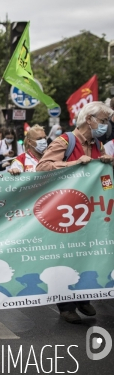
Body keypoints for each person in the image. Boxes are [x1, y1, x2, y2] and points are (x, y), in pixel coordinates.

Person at [36, 101, 114, 323]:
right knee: (68, 254)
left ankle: (83, 297)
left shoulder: (99, 143)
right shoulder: (65, 141)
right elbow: (43, 167)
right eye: (103, 120)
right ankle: (66, 305)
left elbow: (105, 181)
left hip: (91, 211)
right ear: (89, 120)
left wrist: (109, 164)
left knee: (87, 253)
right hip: (66, 210)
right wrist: (74, 164)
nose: (106, 125)